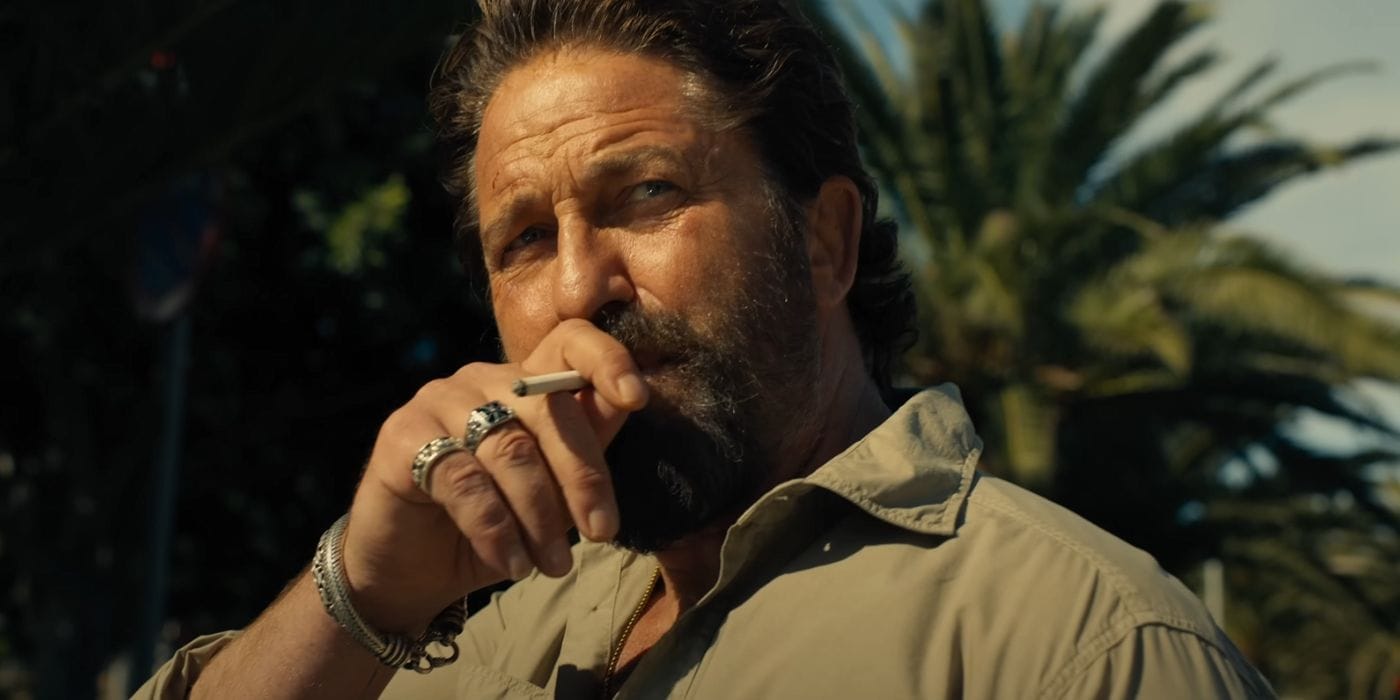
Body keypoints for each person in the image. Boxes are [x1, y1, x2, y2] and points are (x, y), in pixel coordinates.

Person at [137, 0, 1275, 697]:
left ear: (824, 242)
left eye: (646, 193)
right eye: (523, 239)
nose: (577, 287)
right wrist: (364, 595)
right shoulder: (473, 630)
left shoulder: (1082, 649)